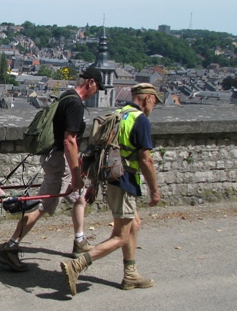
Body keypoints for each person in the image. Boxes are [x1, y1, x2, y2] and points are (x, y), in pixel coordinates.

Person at [0, 68, 105, 272]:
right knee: (42, 205)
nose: (97, 92)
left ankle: (79, 241)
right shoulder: (74, 103)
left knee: (79, 198)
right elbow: (69, 141)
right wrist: (75, 175)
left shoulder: (66, 97)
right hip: (60, 161)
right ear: (90, 82)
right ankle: (9, 247)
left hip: (56, 158)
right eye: (98, 87)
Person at [61, 82, 163, 296]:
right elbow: (146, 160)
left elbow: (101, 151)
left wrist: (93, 185)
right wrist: (155, 191)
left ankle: (131, 274)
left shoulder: (118, 114)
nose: (154, 106)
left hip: (112, 178)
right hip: (126, 180)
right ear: (147, 99)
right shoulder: (140, 120)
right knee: (120, 236)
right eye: (154, 101)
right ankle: (77, 265)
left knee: (134, 223)